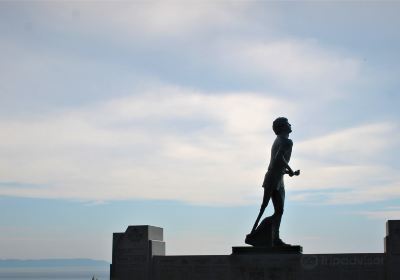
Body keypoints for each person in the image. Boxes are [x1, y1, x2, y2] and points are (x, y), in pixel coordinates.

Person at [250, 117, 300, 246]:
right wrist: (290, 169)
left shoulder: (278, 140)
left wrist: (288, 172)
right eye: (288, 123)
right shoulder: (287, 141)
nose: (290, 125)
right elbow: (278, 158)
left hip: (276, 176)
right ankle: (263, 235)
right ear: (283, 127)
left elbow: (276, 163)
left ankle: (271, 237)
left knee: (276, 209)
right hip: (274, 178)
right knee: (274, 209)